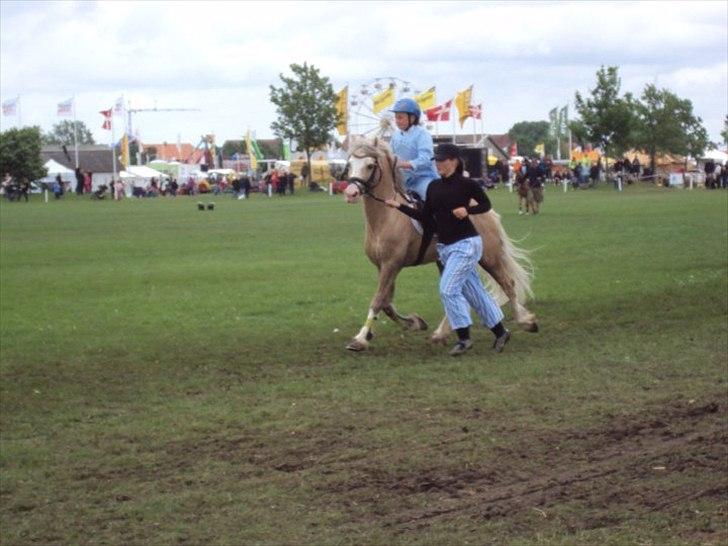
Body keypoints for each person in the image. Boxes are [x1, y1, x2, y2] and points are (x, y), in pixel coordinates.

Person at [384, 143, 511, 356]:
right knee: (473, 291)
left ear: (454, 161)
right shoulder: (434, 187)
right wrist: (400, 207)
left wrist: (467, 209)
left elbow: (485, 205)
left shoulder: (466, 184)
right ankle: (501, 332)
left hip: (467, 244)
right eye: (437, 161)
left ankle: (463, 338)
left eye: (442, 161)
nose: (439, 165)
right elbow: (425, 217)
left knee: (447, 288)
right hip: (446, 248)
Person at [389, 98, 439, 203]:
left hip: (423, 179)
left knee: (433, 199)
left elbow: (426, 159)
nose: (397, 121)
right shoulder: (395, 136)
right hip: (402, 181)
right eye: (396, 118)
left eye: (400, 117)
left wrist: (403, 164)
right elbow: (390, 156)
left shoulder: (422, 134)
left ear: (412, 118)